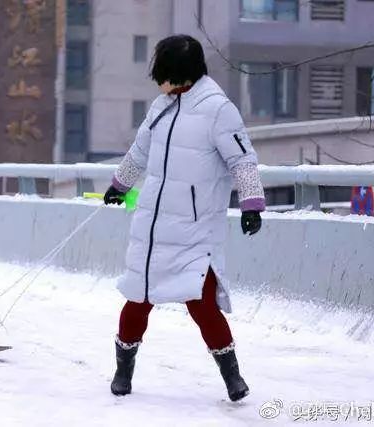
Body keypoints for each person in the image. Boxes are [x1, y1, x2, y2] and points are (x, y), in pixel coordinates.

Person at [103, 35, 265, 402]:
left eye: (160, 72)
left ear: (176, 72)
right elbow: (139, 151)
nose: (156, 80)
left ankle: (233, 378)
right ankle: (123, 372)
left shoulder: (218, 110)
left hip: (195, 230)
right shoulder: (160, 107)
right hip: (154, 229)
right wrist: (119, 184)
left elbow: (243, 159)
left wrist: (252, 202)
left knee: (202, 304)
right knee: (137, 300)